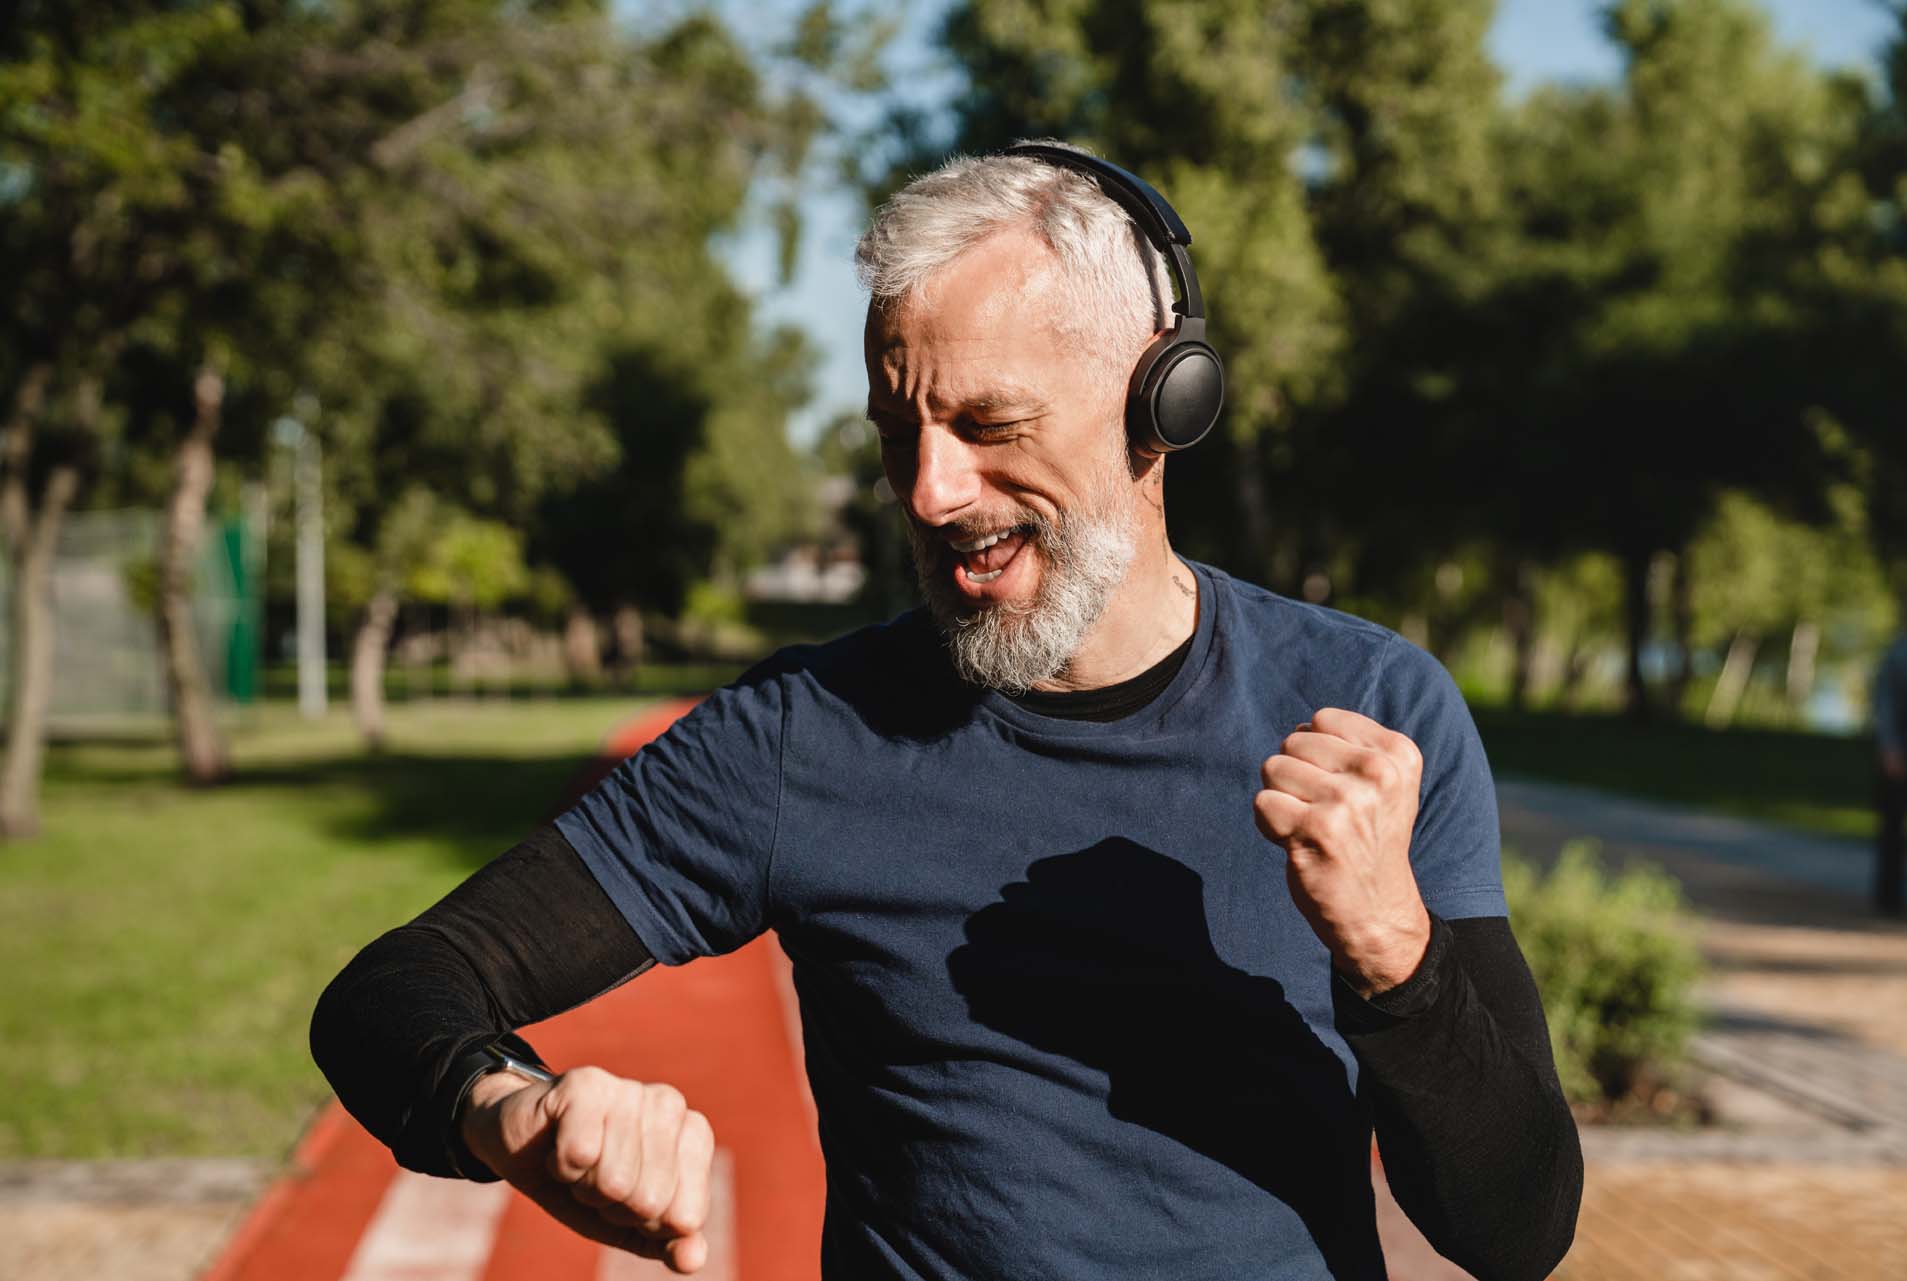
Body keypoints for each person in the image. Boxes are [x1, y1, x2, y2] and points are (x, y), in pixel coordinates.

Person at [312, 143, 1582, 1281]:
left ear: (1161, 403)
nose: (929, 491)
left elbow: (1516, 1233)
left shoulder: (1373, 712)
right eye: (897, 430)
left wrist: (1394, 951)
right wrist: (512, 1114)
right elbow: (394, 992)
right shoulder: (804, 734)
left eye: (988, 424)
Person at [1871, 592, 1907, 916]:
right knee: (1894, 828)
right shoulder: (1898, 656)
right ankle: (1890, 899)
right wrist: (1890, 748)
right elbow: (1885, 705)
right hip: (1903, 751)